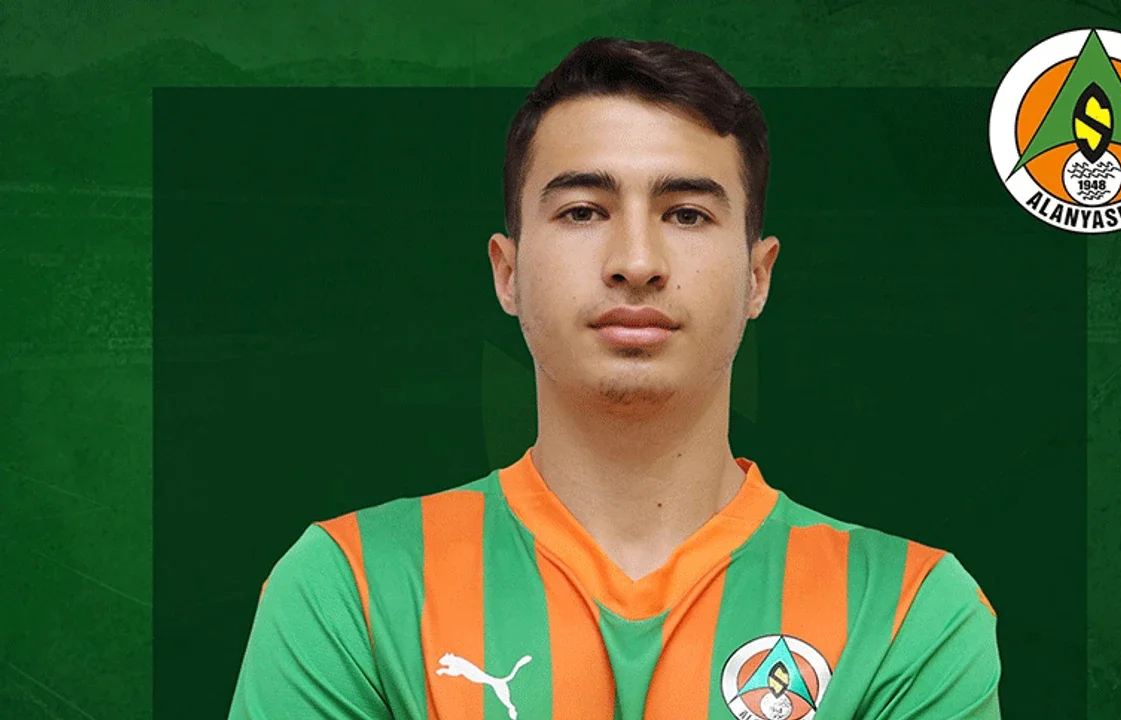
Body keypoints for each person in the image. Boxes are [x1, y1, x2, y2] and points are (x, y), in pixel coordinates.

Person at [228, 36, 1002, 720]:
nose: (636, 261)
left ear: (758, 276)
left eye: (686, 214)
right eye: (583, 211)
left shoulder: (906, 609)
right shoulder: (353, 587)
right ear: (507, 273)